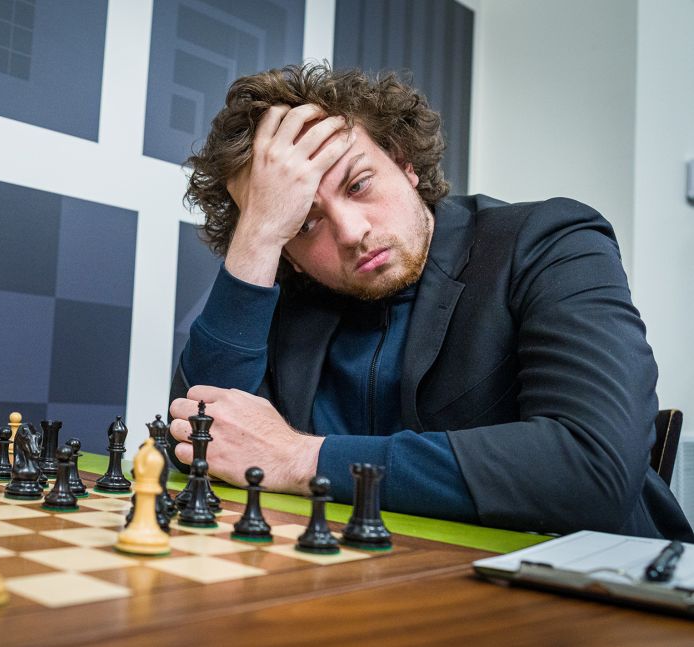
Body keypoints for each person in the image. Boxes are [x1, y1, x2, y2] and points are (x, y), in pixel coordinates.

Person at [168, 62, 693, 540]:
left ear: (404, 163)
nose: (352, 232)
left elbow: (589, 469)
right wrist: (258, 237)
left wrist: (301, 458)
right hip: (380, 588)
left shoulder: (550, 241)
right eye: (303, 222)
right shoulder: (284, 290)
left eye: (359, 184)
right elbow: (203, 448)